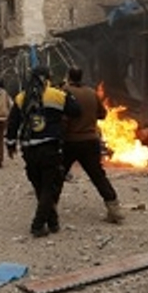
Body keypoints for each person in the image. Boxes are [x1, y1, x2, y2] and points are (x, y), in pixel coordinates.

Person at [7, 66, 80, 237]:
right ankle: (38, 225)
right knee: (48, 187)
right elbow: (76, 111)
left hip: (29, 149)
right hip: (50, 148)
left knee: (39, 186)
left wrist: (10, 144)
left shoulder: (21, 97)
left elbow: (13, 123)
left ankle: (53, 222)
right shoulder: (57, 95)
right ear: (47, 78)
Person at [61, 67, 123, 223]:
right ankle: (114, 209)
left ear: (68, 77)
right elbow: (102, 115)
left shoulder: (64, 92)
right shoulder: (91, 92)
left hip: (70, 141)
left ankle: (48, 210)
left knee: (58, 175)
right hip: (91, 141)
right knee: (98, 176)